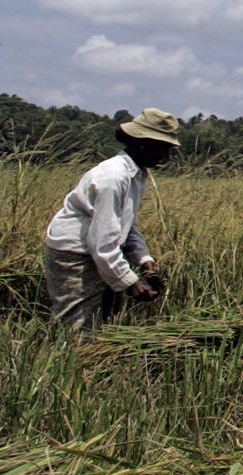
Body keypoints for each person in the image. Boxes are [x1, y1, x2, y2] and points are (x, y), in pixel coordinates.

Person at [42, 108, 176, 331]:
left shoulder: (137, 174)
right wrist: (130, 282)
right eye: (163, 148)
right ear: (143, 143)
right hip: (75, 254)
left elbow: (126, 222)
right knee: (77, 326)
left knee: (104, 320)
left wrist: (144, 261)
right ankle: (66, 361)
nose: (166, 156)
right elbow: (102, 242)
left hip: (97, 251)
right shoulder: (113, 177)